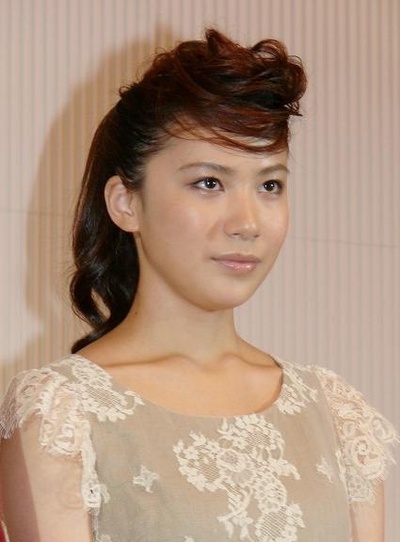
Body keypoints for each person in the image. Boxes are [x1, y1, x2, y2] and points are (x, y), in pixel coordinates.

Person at [0, 28, 397, 542]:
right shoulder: (61, 414)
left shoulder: (338, 415)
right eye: (209, 183)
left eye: (270, 184)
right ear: (125, 202)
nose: (247, 222)